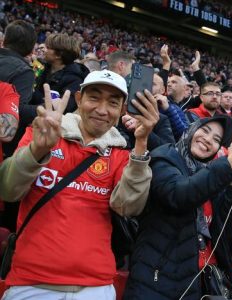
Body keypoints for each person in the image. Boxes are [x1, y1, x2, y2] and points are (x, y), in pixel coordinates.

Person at [0, 70, 159, 299]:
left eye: (113, 103)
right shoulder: (42, 133)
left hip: (96, 287)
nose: (102, 110)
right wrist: (38, 150)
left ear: (123, 110)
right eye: (94, 98)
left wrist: (141, 143)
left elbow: (128, 207)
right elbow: (8, 190)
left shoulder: (121, 154)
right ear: (78, 99)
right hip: (31, 283)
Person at [123, 115, 232, 300]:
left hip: (201, 282)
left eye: (216, 139)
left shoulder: (213, 172)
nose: (208, 140)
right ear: (192, 129)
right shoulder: (164, 157)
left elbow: (225, 229)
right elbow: (179, 195)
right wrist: (228, 164)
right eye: (205, 130)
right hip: (158, 281)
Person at [0, 20, 36, 158]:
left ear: (4, 40)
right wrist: (43, 108)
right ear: (31, 49)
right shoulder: (23, 72)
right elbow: (18, 110)